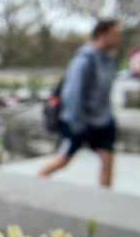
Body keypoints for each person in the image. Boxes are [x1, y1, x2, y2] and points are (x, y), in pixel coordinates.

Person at [39, 20, 121, 187]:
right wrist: (76, 124)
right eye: (115, 34)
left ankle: (105, 200)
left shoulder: (108, 60)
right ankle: (33, 184)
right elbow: (72, 94)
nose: (118, 38)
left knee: (108, 159)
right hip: (79, 121)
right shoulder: (85, 59)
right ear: (101, 34)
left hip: (102, 121)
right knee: (64, 159)